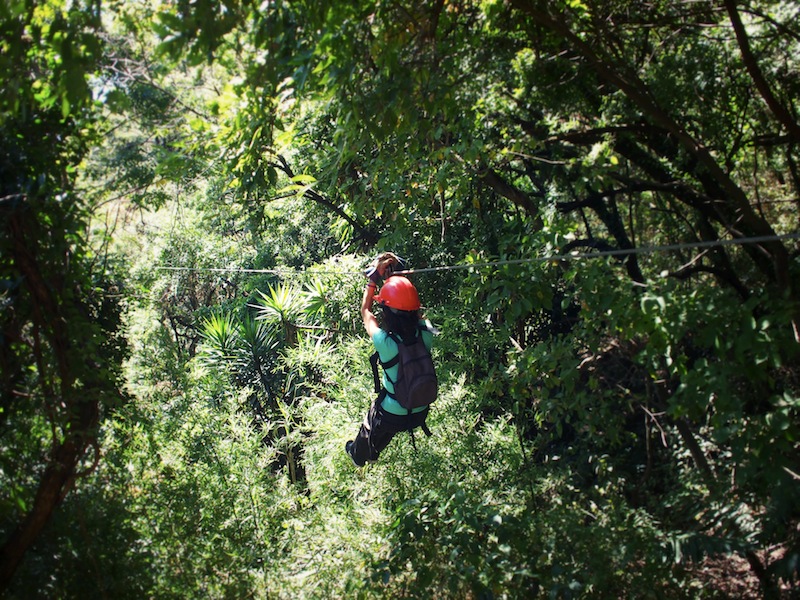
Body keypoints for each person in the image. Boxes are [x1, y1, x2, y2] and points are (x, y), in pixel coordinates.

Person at [345, 254, 437, 467]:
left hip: (392, 414)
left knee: (375, 420)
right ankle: (372, 448)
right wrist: (395, 280)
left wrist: (374, 278)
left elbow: (366, 311)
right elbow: (413, 309)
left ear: (386, 311)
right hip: (420, 410)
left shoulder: (385, 342)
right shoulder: (426, 332)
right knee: (389, 413)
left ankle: (359, 455)